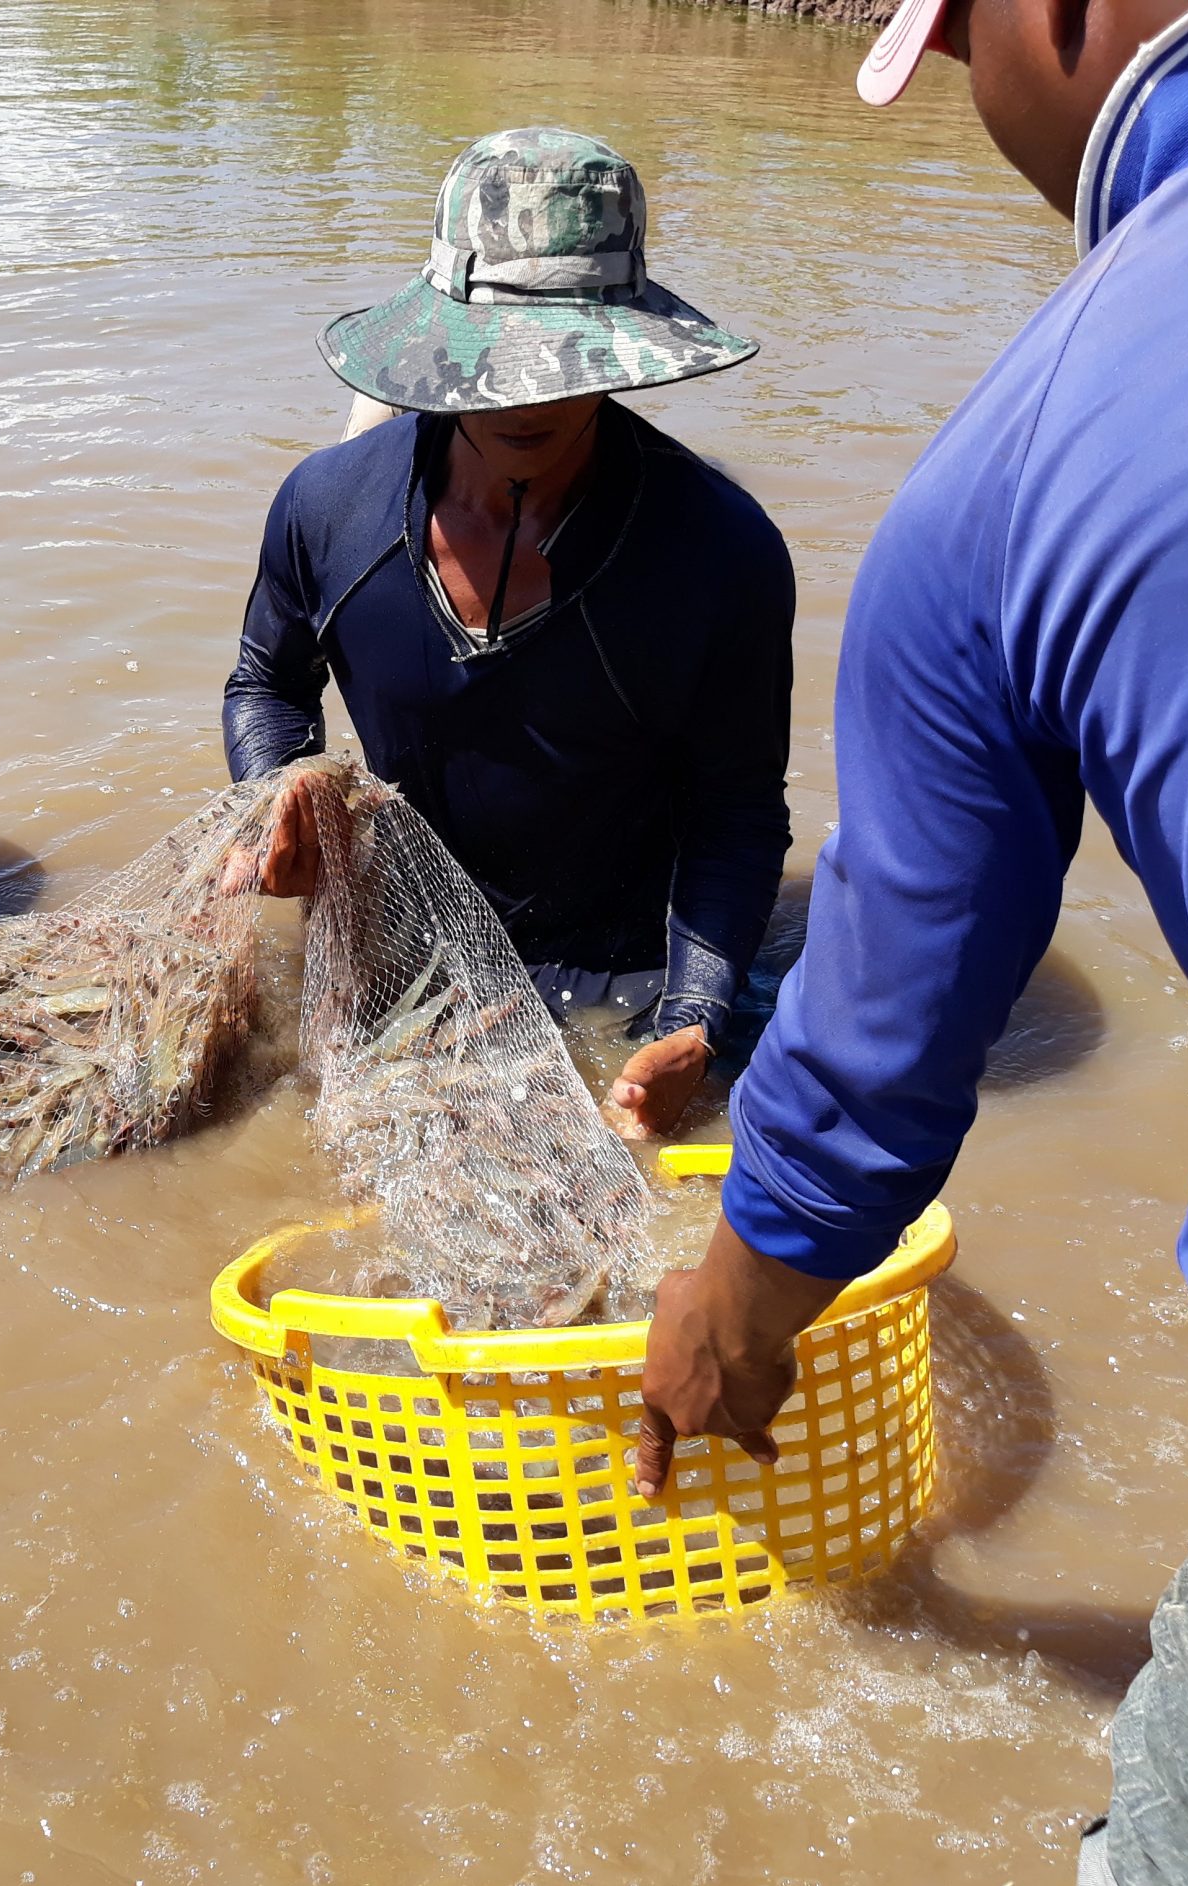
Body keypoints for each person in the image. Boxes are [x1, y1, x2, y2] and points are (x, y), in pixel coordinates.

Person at [633, 1, 1188, 1886]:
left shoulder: (987, 483)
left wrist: (720, 1325)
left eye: (959, 54)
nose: (985, 116)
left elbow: (865, 1053)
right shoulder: (350, 514)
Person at [221, 129, 796, 1138]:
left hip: (629, 970)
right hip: (405, 944)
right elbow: (265, 686)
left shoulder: (719, 554)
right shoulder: (329, 507)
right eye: (503, 357)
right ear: (444, 335)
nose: (529, 393)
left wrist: (695, 1023)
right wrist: (281, 790)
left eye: (565, 356)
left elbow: (734, 815)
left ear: (619, 339)